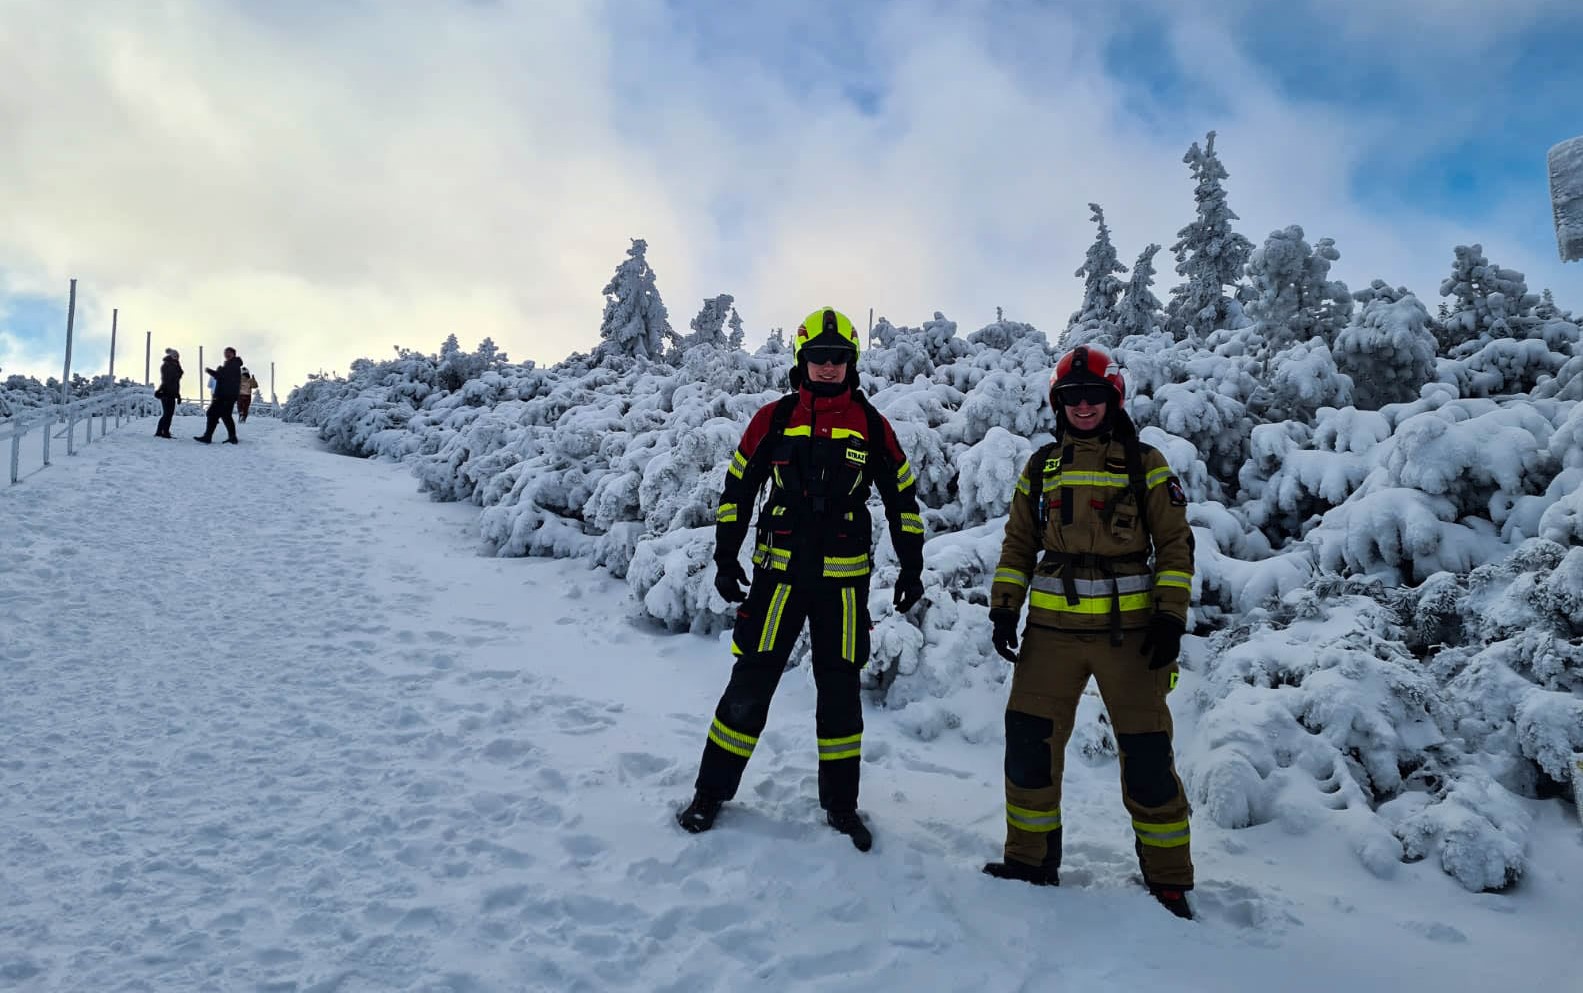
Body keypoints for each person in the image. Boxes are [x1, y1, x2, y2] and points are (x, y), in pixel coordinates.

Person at [676, 307, 927, 851]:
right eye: (819, 357)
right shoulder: (773, 418)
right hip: (778, 582)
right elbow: (737, 492)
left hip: (843, 589)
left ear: (851, 362)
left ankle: (841, 807)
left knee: (840, 696)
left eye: (838, 358)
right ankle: (709, 794)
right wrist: (725, 555)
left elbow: (903, 499)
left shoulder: (872, 425)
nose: (829, 367)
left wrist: (912, 563)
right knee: (750, 685)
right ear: (802, 360)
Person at [982, 344, 1198, 919]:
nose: (1083, 406)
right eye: (1072, 397)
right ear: (1059, 403)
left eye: (1093, 396)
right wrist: (1005, 606)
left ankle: (1169, 879)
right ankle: (1029, 862)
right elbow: (1019, 544)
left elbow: (1175, 545)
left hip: (1131, 639)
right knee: (1028, 747)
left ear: (1113, 399)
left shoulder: (1146, 462)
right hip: (1049, 636)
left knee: (1148, 756)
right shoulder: (1041, 466)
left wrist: (1171, 617)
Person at [195, 347, 244, 444]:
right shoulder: (232, 364)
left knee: (212, 413)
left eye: (229, 353)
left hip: (225, 395)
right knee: (225, 416)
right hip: (227, 395)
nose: (226, 354)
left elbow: (221, 376)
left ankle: (208, 436)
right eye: (225, 353)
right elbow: (222, 376)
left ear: (233, 354)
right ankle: (230, 437)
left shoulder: (233, 364)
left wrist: (210, 371)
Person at [153, 348, 182, 438]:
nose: (177, 358)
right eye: (175, 356)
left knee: (167, 414)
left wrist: (178, 395)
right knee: (168, 414)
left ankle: (160, 431)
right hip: (166, 392)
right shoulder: (167, 365)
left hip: (171, 393)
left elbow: (177, 378)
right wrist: (162, 391)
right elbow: (168, 380)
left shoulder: (174, 365)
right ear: (171, 356)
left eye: (178, 356)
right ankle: (164, 432)